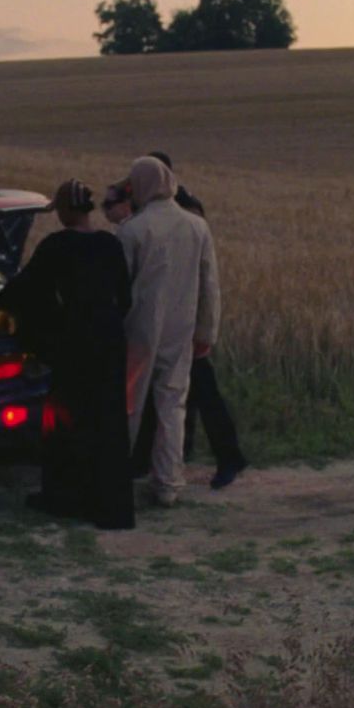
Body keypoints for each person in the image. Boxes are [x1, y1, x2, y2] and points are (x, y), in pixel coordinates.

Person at [0, 179, 134, 530]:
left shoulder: (57, 245)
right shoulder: (110, 244)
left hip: (76, 342)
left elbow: (25, 288)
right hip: (111, 342)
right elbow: (125, 299)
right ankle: (110, 508)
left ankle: (65, 498)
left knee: (67, 420)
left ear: (67, 210)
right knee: (107, 422)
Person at [134, 151, 249, 490]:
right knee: (177, 399)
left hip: (181, 324)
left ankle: (227, 458)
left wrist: (205, 330)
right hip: (177, 323)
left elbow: (204, 279)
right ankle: (168, 460)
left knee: (200, 395)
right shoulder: (169, 206)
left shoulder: (186, 208)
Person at [117, 156, 220, 506]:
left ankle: (116, 473)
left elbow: (120, 286)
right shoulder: (197, 227)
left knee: (129, 402)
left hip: (139, 329)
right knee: (172, 405)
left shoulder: (132, 229)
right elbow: (209, 285)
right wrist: (207, 331)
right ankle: (168, 483)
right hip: (182, 327)